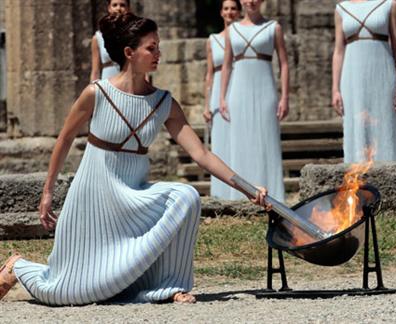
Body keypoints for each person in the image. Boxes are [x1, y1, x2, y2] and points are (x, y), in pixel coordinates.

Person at [0, 13, 269, 305]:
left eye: (158, 47)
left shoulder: (163, 102)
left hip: (133, 199)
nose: (158, 54)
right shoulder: (96, 93)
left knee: (187, 196)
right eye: (151, 48)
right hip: (93, 201)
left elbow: (201, 154)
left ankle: (168, 286)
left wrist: (249, 189)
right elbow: (64, 140)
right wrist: (48, 192)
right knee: (67, 293)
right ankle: (19, 266)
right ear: (130, 53)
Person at [219, 0, 289, 202]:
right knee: (240, 141)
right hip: (238, 91)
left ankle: (273, 195)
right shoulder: (233, 30)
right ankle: (242, 196)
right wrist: (222, 97)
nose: (251, 1)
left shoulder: (273, 28)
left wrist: (284, 96)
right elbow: (226, 66)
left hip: (265, 89)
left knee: (267, 139)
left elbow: (284, 64)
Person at [332, 0, 396, 163]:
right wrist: (335, 89)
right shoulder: (341, 9)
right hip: (351, 78)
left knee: (384, 127)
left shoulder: (389, 4)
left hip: (383, 74)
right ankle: (356, 182)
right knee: (356, 128)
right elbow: (338, 51)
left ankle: (388, 179)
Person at [203, 0, 241, 199]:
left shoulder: (243, 36)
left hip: (239, 84)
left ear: (239, 12)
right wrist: (206, 104)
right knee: (221, 143)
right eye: (226, 9)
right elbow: (209, 74)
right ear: (221, 12)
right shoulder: (213, 40)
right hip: (219, 87)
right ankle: (221, 193)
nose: (230, 12)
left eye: (233, 8)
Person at [90, 0, 130, 81]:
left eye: (122, 5)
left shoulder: (134, 35)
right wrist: (93, 90)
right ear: (109, 8)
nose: (118, 8)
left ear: (128, 8)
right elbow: (95, 71)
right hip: (107, 82)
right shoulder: (98, 37)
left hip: (129, 82)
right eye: (114, 5)